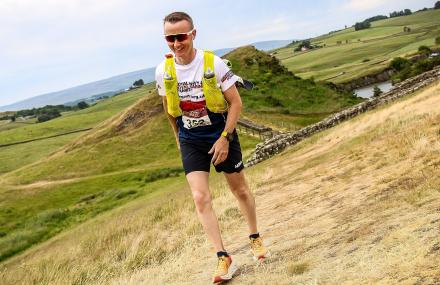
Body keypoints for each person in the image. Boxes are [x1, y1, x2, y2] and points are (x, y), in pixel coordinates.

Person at [155, 11, 269, 283]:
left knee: (239, 189)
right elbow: (168, 108)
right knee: (199, 197)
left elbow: (236, 103)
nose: (176, 43)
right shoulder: (163, 70)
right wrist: (178, 138)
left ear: (193, 34)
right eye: (170, 38)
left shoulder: (213, 63)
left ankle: (254, 237)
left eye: (181, 36)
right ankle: (222, 256)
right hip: (190, 137)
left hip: (220, 131)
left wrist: (225, 137)